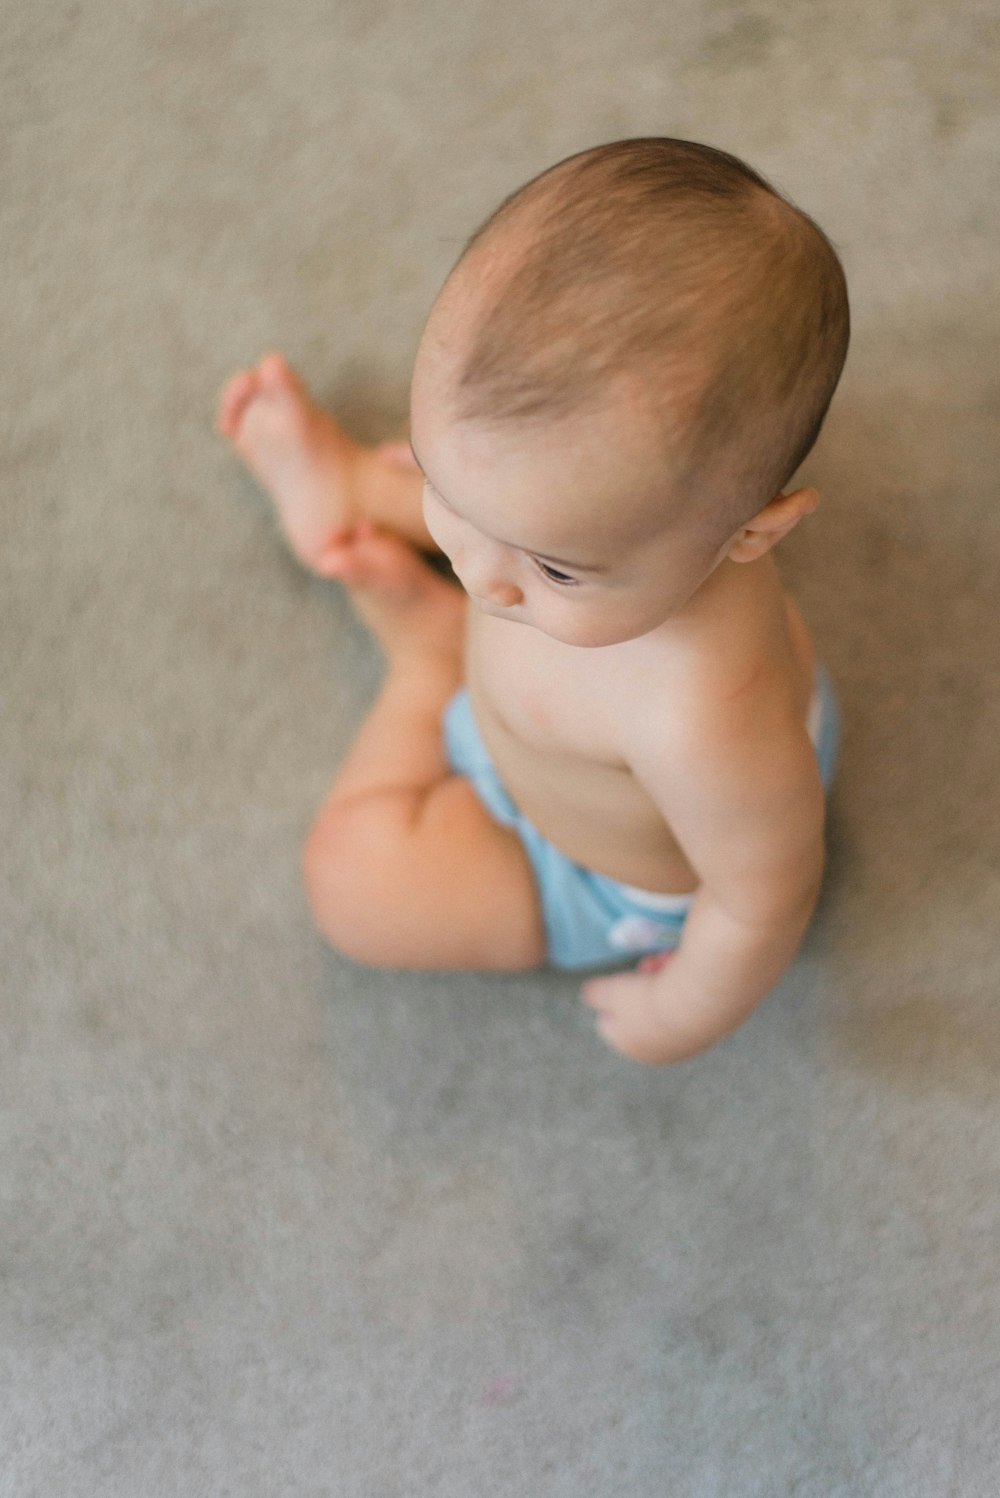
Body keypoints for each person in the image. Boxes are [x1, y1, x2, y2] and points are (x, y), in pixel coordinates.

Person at [216, 137, 849, 1065]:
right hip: (554, 726)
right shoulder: (593, 523)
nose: (477, 577)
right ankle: (368, 486)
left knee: (351, 885)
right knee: (509, 486)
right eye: (436, 479)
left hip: (591, 864)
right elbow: (512, 526)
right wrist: (502, 533)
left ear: (751, 533)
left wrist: (686, 1010)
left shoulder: (706, 723)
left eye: (559, 568)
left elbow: (765, 895)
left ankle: (423, 670)